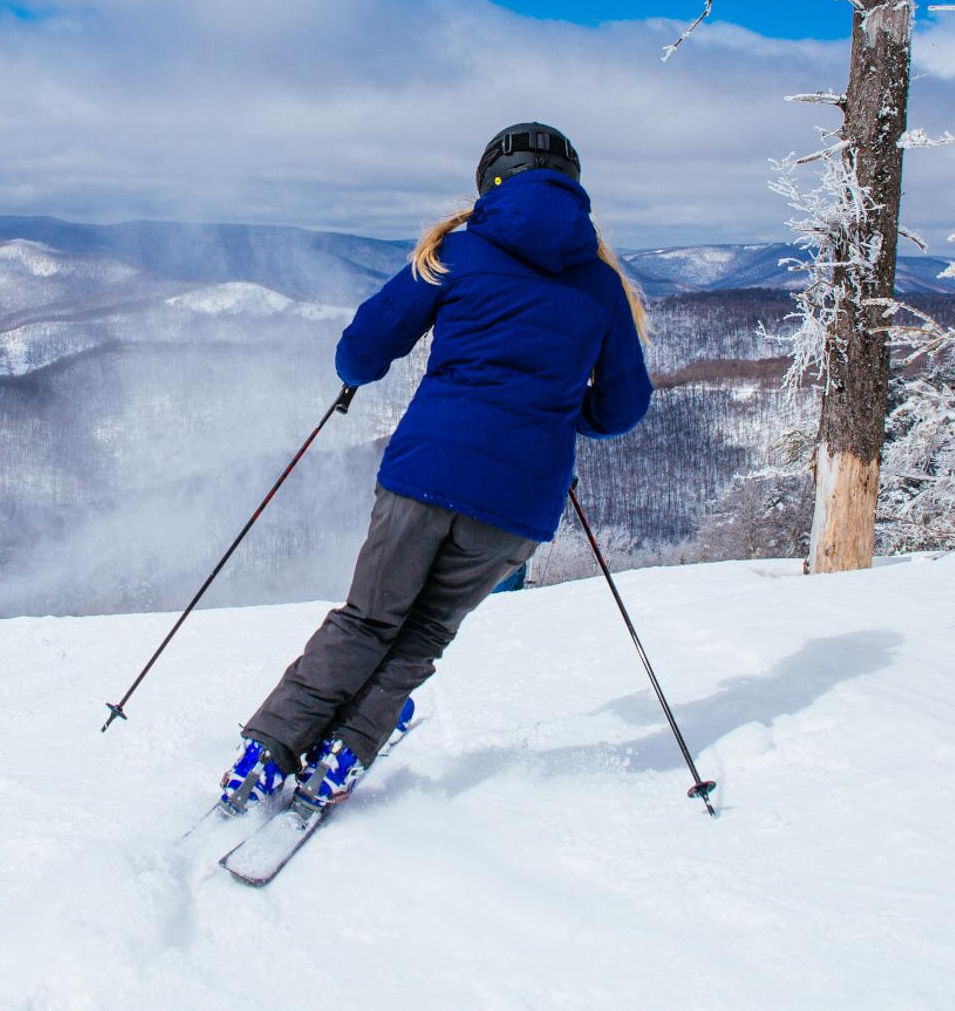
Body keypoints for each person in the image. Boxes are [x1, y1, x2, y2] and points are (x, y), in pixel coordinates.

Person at [218, 123, 653, 815]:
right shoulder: (602, 284)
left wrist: (355, 374)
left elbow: (364, 347)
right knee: (422, 634)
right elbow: (623, 406)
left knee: (367, 620)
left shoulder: (459, 250)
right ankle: (344, 755)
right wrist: (558, 412)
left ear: (492, 181)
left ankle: (267, 751)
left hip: (425, 472)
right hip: (518, 502)